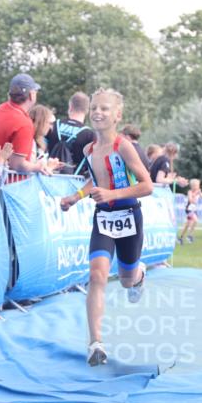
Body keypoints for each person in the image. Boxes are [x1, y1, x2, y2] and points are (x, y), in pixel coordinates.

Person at [60, 89, 153, 366]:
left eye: (105, 109)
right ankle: (95, 344)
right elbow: (95, 181)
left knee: (125, 280)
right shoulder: (89, 149)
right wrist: (75, 198)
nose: (98, 113)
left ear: (117, 115)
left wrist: (112, 195)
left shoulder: (124, 146)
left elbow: (146, 185)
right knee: (97, 275)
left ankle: (138, 274)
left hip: (128, 216)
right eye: (94, 108)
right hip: (103, 219)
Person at [0, 73, 62, 175]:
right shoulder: (24, 123)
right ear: (31, 95)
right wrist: (38, 166)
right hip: (9, 184)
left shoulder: (1, 108)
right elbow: (17, 164)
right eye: (35, 92)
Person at [46, 91, 94, 173]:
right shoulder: (89, 135)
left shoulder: (53, 125)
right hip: (75, 182)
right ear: (87, 111)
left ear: (70, 106)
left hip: (48, 176)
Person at [178, 178, 202, 244]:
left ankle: (181, 237)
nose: (198, 187)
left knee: (187, 224)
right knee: (195, 220)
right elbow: (191, 200)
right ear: (192, 186)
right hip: (189, 209)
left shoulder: (198, 191)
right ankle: (189, 235)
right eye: (196, 185)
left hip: (194, 209)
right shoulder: (190, 192)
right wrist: (195, 194)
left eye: (198, 185)